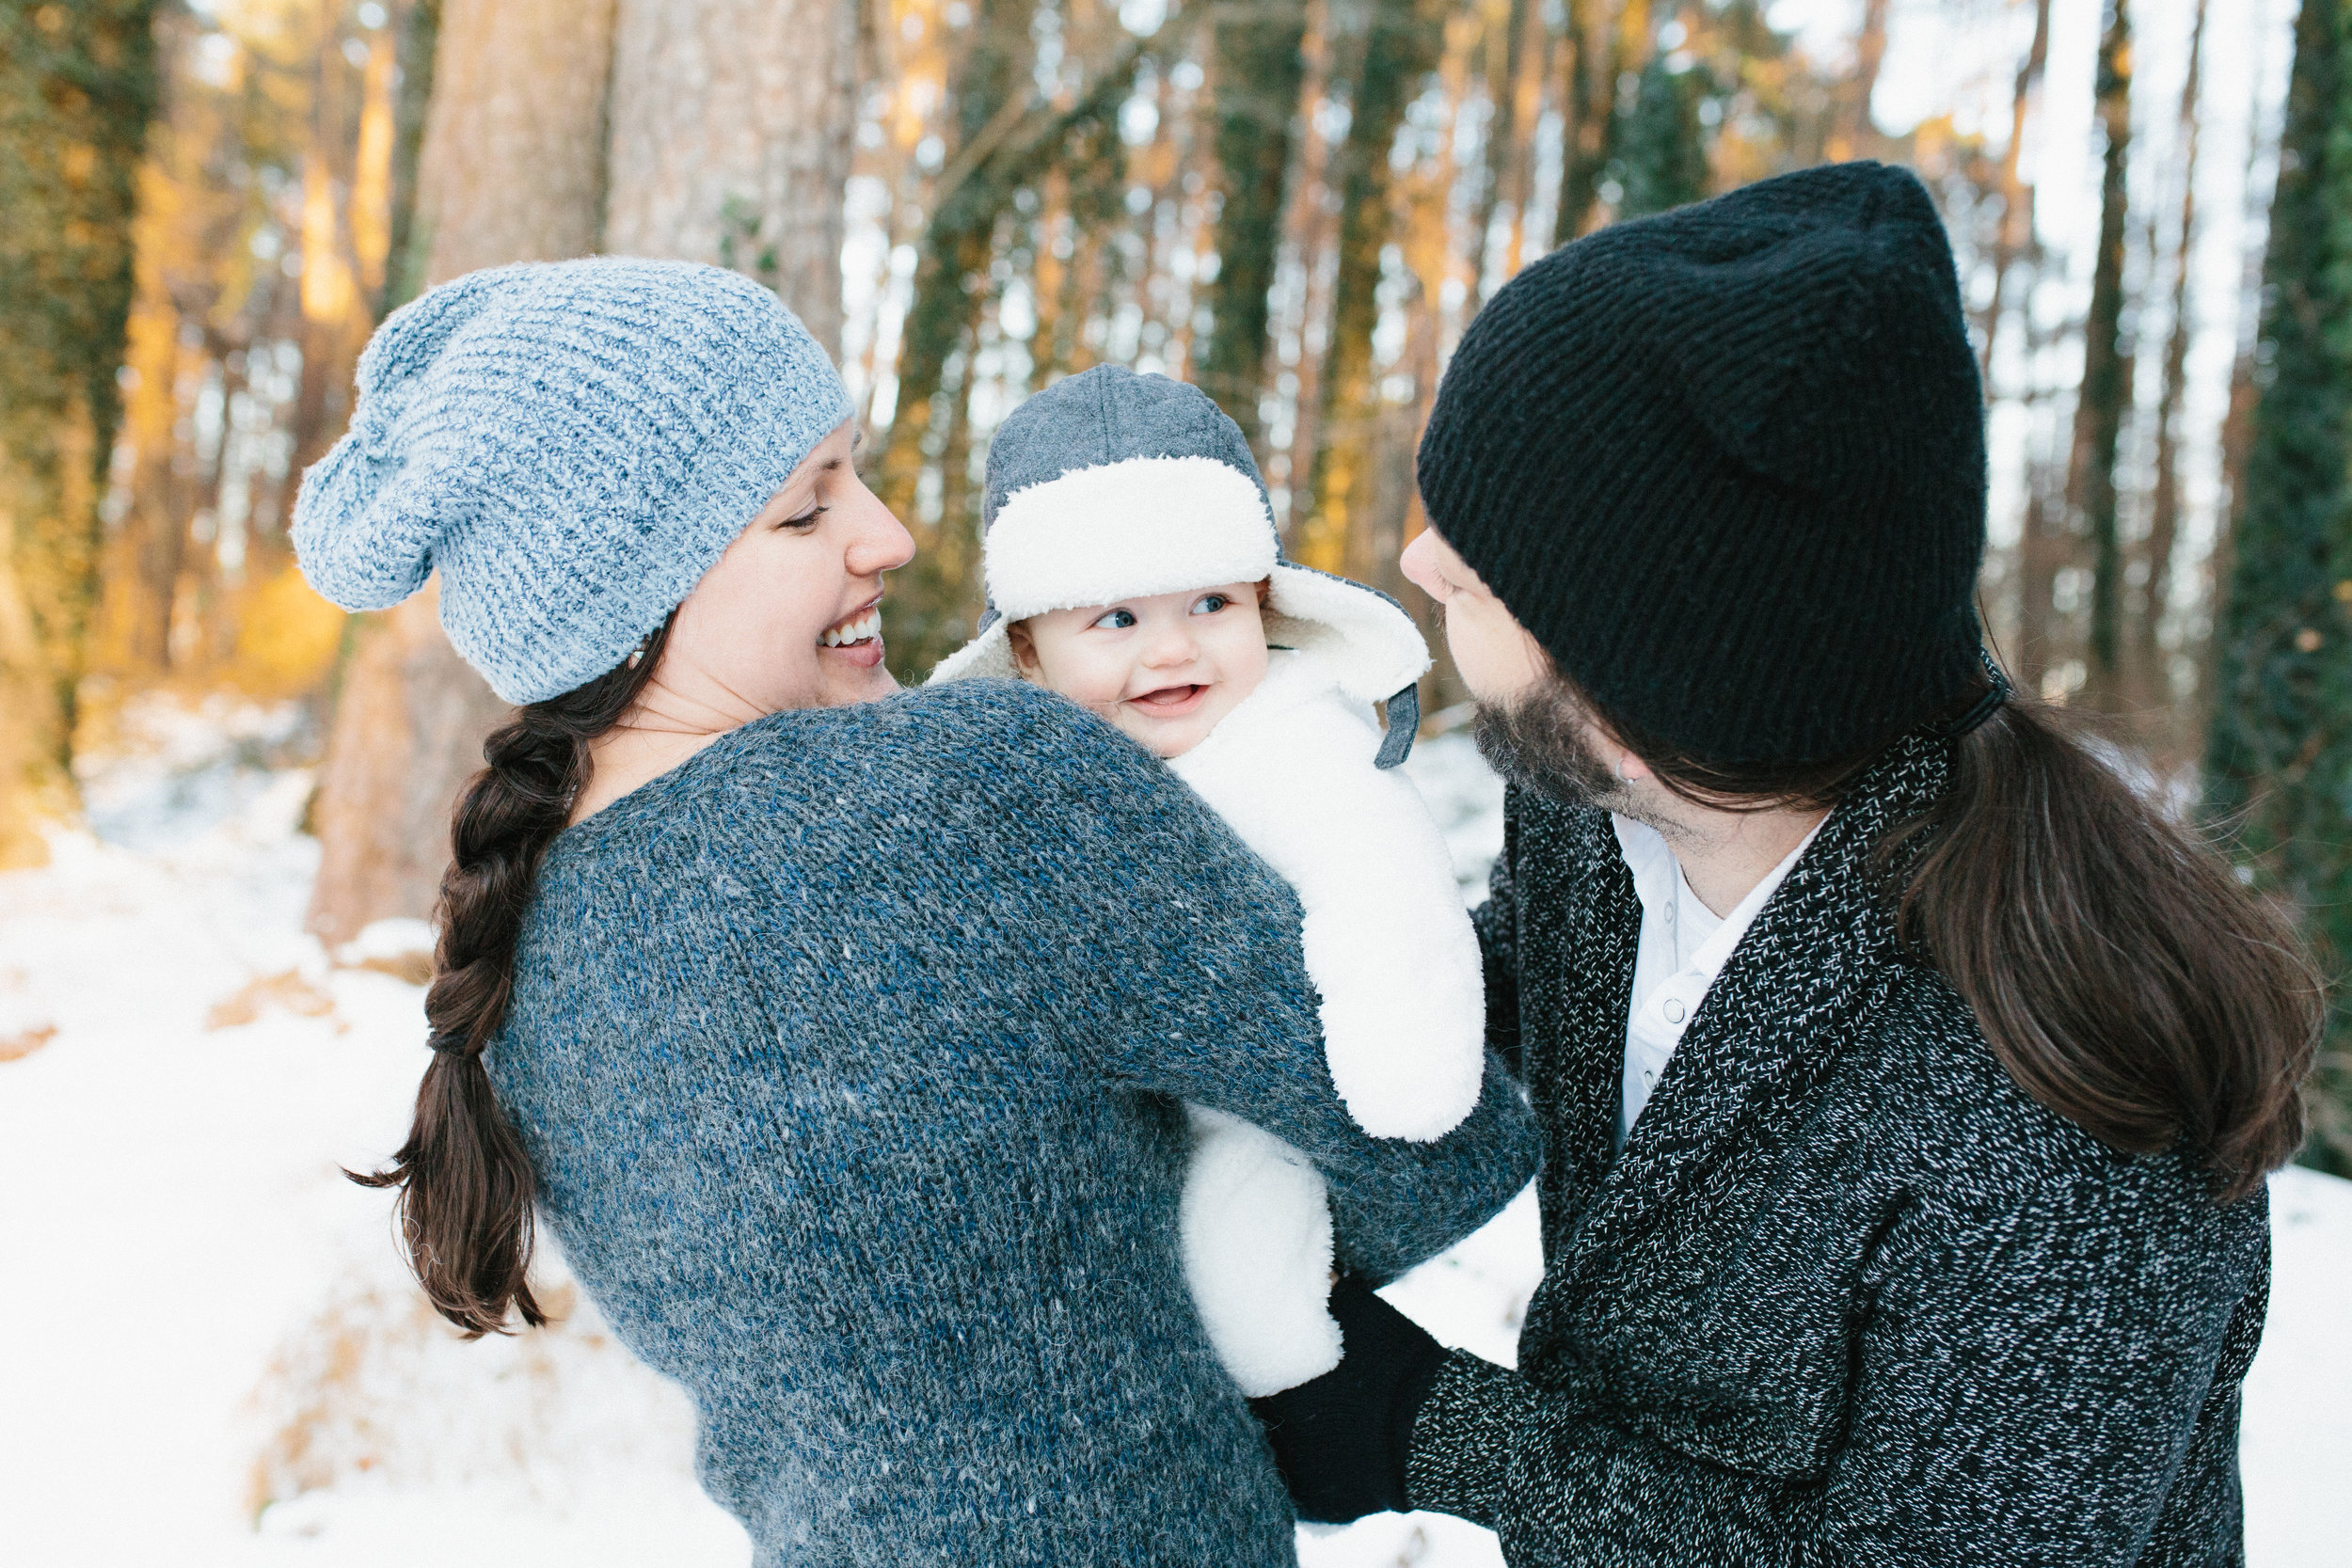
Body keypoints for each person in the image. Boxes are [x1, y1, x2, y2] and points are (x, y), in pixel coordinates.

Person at [291, 257, 1539, 1565]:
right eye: (805, 510)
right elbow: (1441, 1135)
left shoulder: (521, 948)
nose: (887, 534)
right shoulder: (970, 789)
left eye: (857, 476)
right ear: (638, 591)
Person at [1250, 161, 2319, 1565]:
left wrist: (1428, 1426)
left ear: (1633, 711)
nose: (1421, 559)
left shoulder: (2065, 1133)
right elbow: (1536, 976)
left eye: (1482, 570)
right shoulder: (1606, 809)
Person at [931, 364, 1486, 1399]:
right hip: (1105, 1122)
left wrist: (1408, 1050)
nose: (1174, 647)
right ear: (1029, 650)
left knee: (1239, 1291)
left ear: (1264, 600)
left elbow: (1382, 881)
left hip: (1263, 1117)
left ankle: (1277, 1382)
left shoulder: (1288, 736)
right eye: (1116, 620)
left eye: (1209, 601)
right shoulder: (1032, 777)